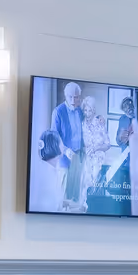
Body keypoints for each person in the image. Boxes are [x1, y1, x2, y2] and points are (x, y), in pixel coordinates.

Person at [50, 81, 87, 209]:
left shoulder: (81, 111)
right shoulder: (58, 112)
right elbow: (54, 137)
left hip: (78, 156)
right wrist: (65, 150)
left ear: (79, 97)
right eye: (70, 97)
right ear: (65, 96)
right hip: (63, 157)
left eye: (76, 97)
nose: (73, 100)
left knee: (75, 194)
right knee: (62, 192)